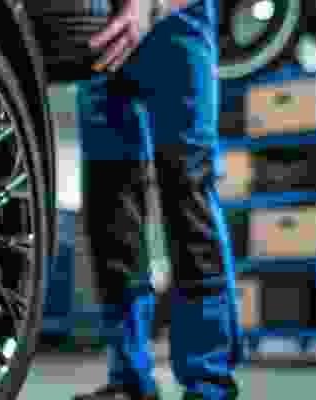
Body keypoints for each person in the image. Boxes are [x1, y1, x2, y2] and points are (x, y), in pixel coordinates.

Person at [71, 0, 242, 399]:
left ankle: (208, 380)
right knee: (110, 210)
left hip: (176, 19)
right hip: (104, 32)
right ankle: (130, 376)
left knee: (187, 192)